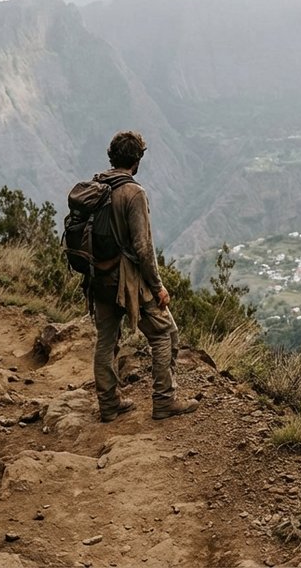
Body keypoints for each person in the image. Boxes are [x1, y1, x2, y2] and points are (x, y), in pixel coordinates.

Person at [90, 130, 198, 422]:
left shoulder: (96, 186)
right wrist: (158, 287)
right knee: (165, 333)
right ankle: (164, 402)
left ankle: (109, 405)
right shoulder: (133, 193)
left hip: (97, 278)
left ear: (112, 156)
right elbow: (143, 247)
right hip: (127, 280)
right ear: (137, 160)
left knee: (106, 340)